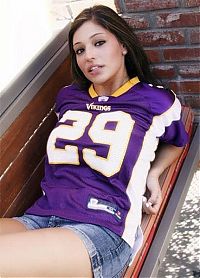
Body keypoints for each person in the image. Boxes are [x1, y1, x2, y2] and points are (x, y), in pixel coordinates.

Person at [0, 5, 189, 278]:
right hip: (39, 217)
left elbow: (177, 141)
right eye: (79, 50)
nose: (89, 56)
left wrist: (154, 172)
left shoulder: (156, 100)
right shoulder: (68, 97)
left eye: (99, 43)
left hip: (101, 229)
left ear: (123, 45)